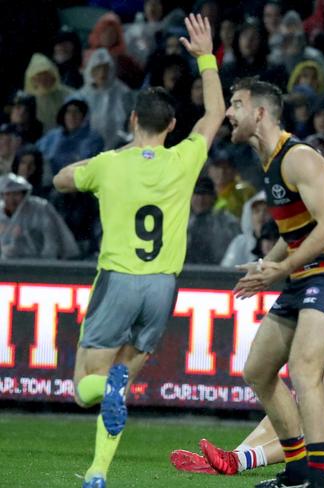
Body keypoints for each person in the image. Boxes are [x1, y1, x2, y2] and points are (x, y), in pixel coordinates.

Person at [51, 14, 224, 488]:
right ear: (171, 125)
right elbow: (213, 115)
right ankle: (97, 472)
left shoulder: (109, 164)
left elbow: (60, 180)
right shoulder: (184, 158)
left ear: (132, 120)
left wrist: (85, 170)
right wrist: (206, 56)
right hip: (163, 286)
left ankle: (102, 400)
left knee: (85, 383)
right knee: (123, 377)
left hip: (119, 280)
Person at [226, 77, 324, 488]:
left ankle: (316, 480)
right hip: (303, 277)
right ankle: (299, 469)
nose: (229, 113)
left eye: (236, 104)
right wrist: (266, 266)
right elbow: (296, 232)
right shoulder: (269, 161)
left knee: (305, 369)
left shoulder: (299, 157)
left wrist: (281, 270)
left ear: (260, 113)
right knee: (258, 370)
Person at [170, 326, 324, 481]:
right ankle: (229, 459)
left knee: (318, 430)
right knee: (284, 415)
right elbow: (321, 409)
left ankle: (238, 462)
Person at [0, 173, 79, 260]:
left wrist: (47, 262)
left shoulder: (40, 208)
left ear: (23, 194)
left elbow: (50, 239)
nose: (12, 199)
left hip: (38, 263)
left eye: (16, 194)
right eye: (8, 194)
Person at [186, 176, 240, 264]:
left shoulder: (228, 223)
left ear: (213, 197)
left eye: (204, 194)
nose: (200, 199)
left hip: (218, 274)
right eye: (196, 194)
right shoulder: (181, 223)